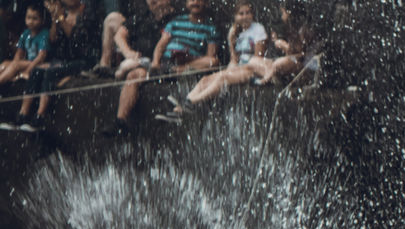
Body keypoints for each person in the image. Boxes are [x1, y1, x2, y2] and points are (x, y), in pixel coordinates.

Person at [155, 0, 267, 122]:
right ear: (235, 16)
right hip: (238, 69)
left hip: (252, 70)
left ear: (253, 14)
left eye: (248, 13)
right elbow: (234, 59)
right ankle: (182, 108)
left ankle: (191, 103)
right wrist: (230, 68)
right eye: (241, 13)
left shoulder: (258, 29)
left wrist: (231, 71)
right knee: (206, 79)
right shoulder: (234, 32)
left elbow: (257, 59)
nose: (245, 16)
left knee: (222, 78)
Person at [23, 0, 101, 129]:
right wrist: (55, 19)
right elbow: (53, 39)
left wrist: (60, 18)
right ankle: (23, 114)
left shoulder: (87, 13)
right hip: (64, 60)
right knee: (37, 71)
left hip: (85, 60)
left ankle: (40, 115)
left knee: (50, 73)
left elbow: (78, 40)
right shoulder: (62, 13)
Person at [103, 0, 175, 135]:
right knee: (133, 75)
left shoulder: (176, 19)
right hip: (142, 63)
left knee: (133, 72)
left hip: (167, 64)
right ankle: (121, 121)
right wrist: (128, 52)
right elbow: (119, 35)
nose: (152, 1)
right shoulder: (142, 17)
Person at [0, 4, 49, 131]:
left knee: (14, 65)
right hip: (25, 62)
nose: (31, 21)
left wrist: (27, 69)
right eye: (28, 18)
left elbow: (41, 56)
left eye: (35, 18)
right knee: (4, 63)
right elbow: (19, 53)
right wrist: (12, 66)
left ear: (42, 20)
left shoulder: (44, 34)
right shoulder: (25, 33)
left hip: (36, 63)